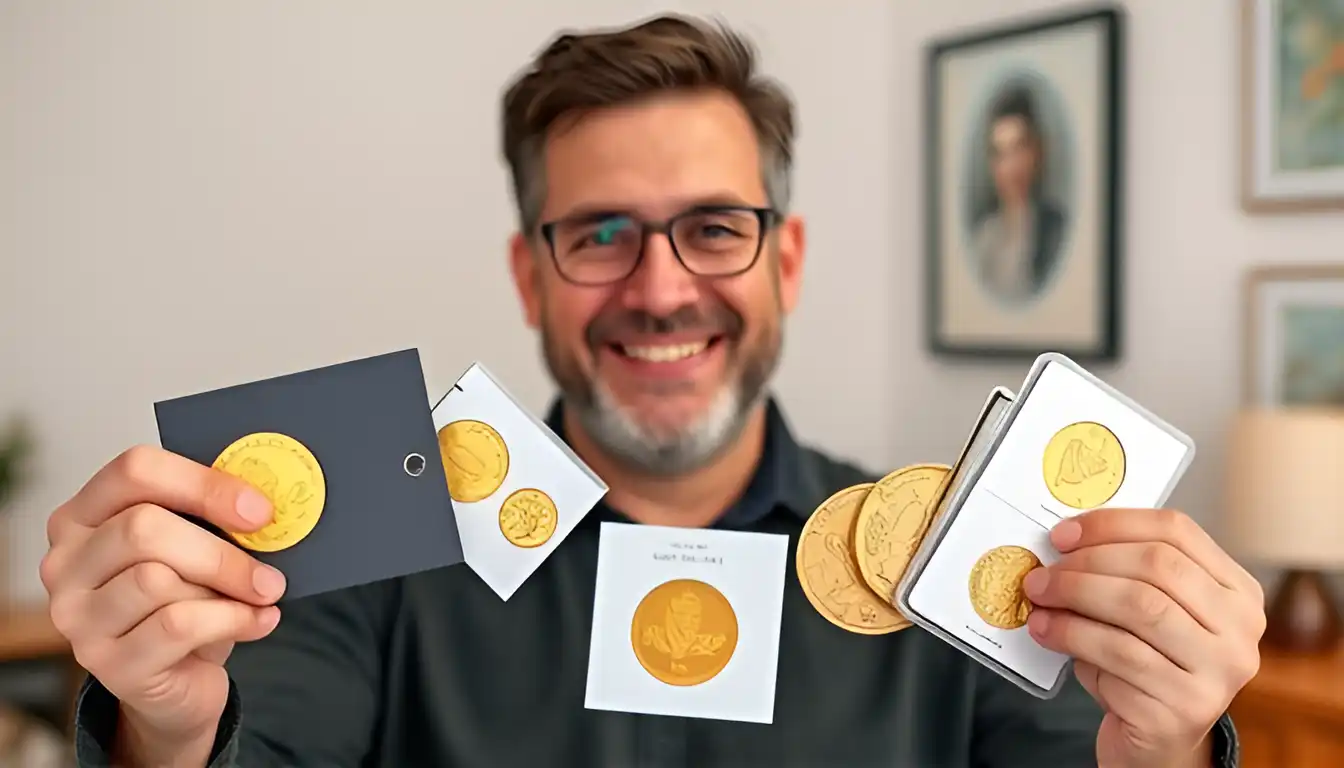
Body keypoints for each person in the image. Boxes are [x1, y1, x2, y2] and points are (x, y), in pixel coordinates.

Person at [40, 14, 1264, 767]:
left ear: (785, 262)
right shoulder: (376, 562)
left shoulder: (963, 574)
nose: (662, 288)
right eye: (602, 232)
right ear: (531, 275)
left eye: (715, 229)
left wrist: (1161, 746)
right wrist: (163, 727)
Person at [969, 83, 1067, 304]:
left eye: (1019, 148)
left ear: (1037, 153)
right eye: (1001, 154)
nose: (1012, 168)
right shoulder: (983, 237)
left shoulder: (1056, 232)